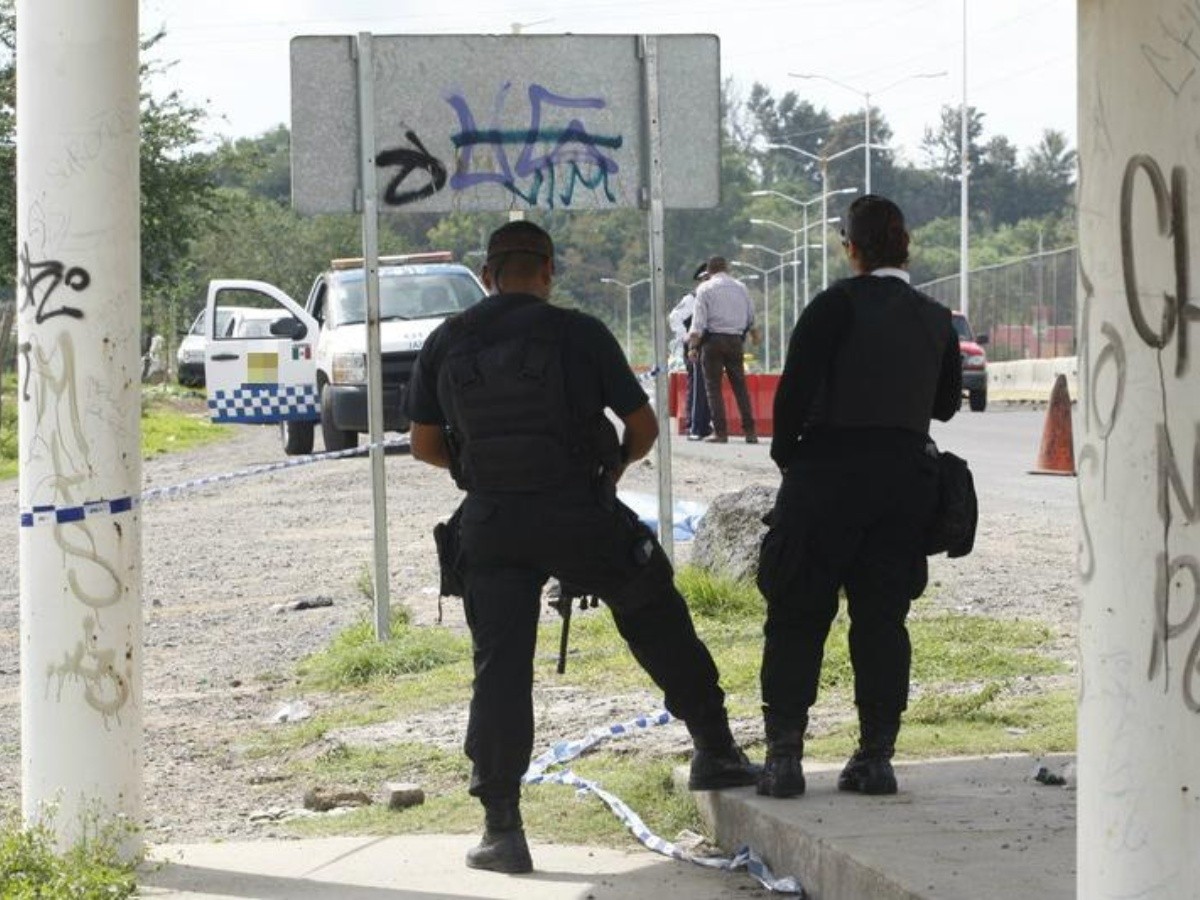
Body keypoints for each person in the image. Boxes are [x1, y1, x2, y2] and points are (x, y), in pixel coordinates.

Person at [404, 221, 760, 874]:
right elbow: (645, 427)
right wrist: (610, 473)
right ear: (547, 272)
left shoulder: (446, 341)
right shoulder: (580, 334)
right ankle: (714, 747)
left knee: (501, 667)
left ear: (487, 275)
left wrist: (482, 475)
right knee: (655, 612)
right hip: (579, 512)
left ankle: (502, 829)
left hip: (491, 525)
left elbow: (424, 445)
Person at [755, 195, 962, 800]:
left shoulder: (832, 306)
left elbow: (790, 401)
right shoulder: (935, 317)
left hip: (826, 475)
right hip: (904, 484)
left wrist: (794, 460)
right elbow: (945, 405)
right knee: (881, 620)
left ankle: (784, 759)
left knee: (796, 614)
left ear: (852, 247)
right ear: (905, 246)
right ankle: (876, 757)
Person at [686, 256, 759, 444]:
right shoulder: (741, 287)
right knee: (740, 387)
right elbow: (751, 317)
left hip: (713, 342)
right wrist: (755, 335)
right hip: (735, 341)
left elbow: (698, 324)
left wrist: (693, 347)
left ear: (709, 271)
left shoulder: (705, 288)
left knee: (713, 389)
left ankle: (721, 432)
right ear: (726, 268)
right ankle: (750, 432)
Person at [667, 262, 712, 440]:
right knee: (698, 385)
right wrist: (686, 337)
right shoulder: (692, 298)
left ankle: (703, 424)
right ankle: (693, 424)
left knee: (707, 386)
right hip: (695, 345)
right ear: (700, 280)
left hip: (709, 345)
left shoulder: (710, 298)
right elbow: (674, 317)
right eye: (706, 279)